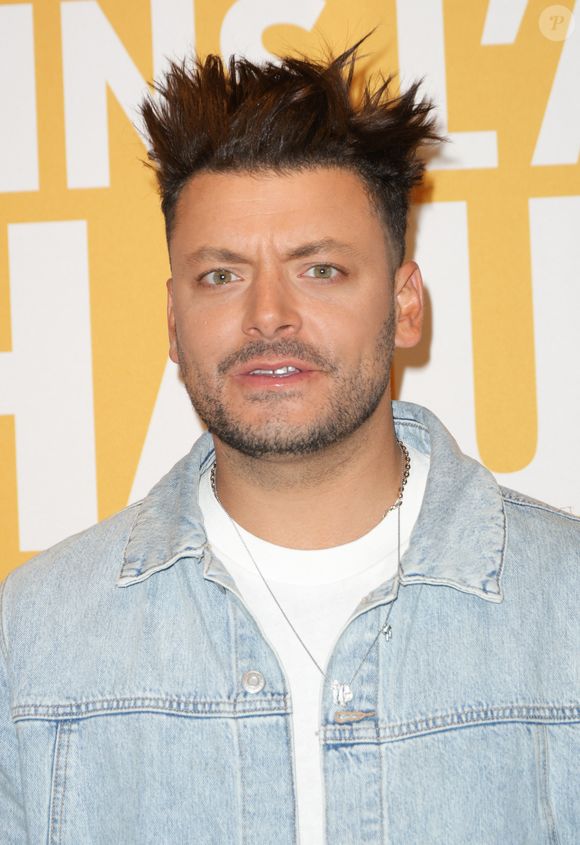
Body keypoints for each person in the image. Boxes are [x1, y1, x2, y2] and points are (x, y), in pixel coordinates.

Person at [1, 40, 578, 845]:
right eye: (221, 275)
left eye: (321, 270)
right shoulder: (32, 639)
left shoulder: (566, 608)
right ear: (174, 321)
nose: (268, 314)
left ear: (407, 305)